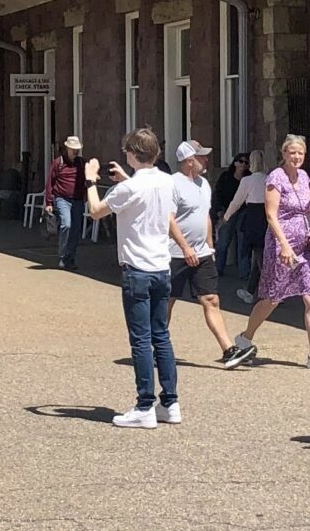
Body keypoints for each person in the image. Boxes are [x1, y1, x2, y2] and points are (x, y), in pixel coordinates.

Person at [81, 127, 195, 429]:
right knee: (162, 336)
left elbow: (95, 211)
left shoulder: (129, 188)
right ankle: (170, 402)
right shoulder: (165, 181)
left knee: (141, 340)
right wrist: (126, 180)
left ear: (131, 153)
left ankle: (145, 404)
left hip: (137, 269)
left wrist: (91, 179)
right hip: (161, 267)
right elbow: (144, 195)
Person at [228, 133, 310, 371]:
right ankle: (246, 336)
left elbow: (306, 211)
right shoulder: (276, 177)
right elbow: (271, 214)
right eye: (292, 152)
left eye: (300, 153)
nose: (296, 157)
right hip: (281, 244)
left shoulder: (304, 176)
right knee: (273, 298)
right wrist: (284, 245)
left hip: (305, 244)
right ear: (284, 154)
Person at [169, 140, 237, 361]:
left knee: (211, 299)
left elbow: (205, 216)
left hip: (202, 253)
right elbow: (169, 219)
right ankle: (155, 347)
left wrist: (210, 244)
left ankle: (229, 349)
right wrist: (185, 247)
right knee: (166, 301)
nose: (206, 159)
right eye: (201, 157)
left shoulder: (204, 184)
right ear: (189, 161)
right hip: (175, 254)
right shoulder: (173, 184)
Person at [217, 150, 268, 305]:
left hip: (253, 218)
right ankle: (250, 290)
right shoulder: (269, 179)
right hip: (266, 217)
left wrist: (226, 217)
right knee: (259, 256)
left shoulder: (247, 181)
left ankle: (270, 290)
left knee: (259, 256)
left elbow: (236, 201)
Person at [47, 136, 86, 269]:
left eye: (77, 150)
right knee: (66, 225)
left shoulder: (81, 163)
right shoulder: (58, 163)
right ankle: (63, 256)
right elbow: (50, 183)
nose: (75, 152)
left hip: (77, 200)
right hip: (62, 198)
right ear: (67, 148)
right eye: (73, 149)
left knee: (75, 229)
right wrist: (48, 203)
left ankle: (71, 257)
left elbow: (87, 178)